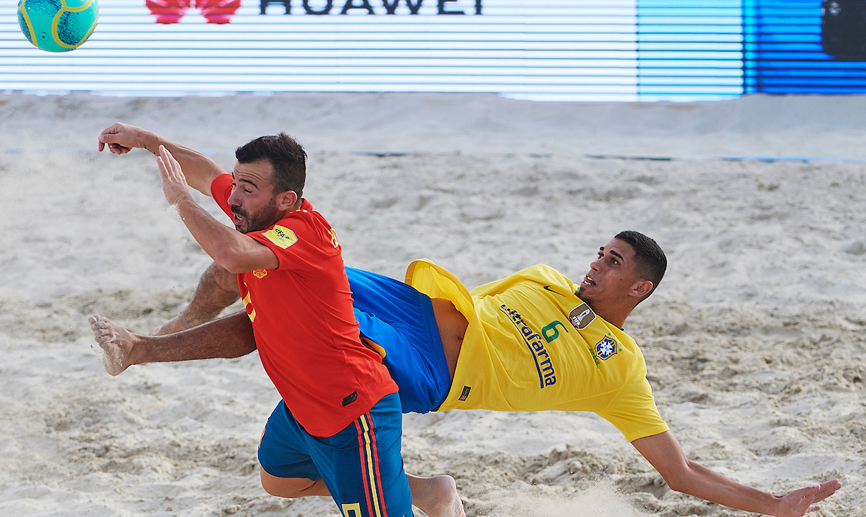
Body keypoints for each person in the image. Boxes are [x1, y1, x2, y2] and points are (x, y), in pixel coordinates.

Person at [91, 223, 842, 516]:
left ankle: (144, 348)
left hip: (419, 367)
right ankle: (157, 336)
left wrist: (770, 502)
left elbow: (679, 471)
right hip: (413, 309)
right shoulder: (549, 279)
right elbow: (472, 306)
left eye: (612, 263)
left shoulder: (620, 370)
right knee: (277, 476)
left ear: (638, 289)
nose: (595, 262)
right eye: (600, 251)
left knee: (280, 308)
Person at [93, 123, 465, 517]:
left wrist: (181, 202)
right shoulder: (256, 215)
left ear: (286, 199)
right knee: (281, 479)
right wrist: (145, 140)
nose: (233, 197)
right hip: (304, 406)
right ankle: (430, 494)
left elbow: (229, 254)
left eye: (247, 189)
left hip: (354, 415)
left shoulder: (306, 233)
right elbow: (205, 173)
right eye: (236, 184)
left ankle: (396, 490)